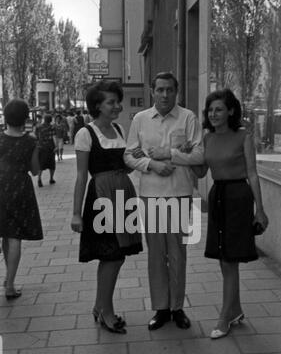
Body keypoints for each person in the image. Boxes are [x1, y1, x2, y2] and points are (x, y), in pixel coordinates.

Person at [124, 71, 205, 331]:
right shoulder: (140, 119)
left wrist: (169, 153)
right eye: (160, 89)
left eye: (169, 89)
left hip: (180, 195)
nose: (165, 94)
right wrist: (152, 164)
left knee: (178, 254)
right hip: (150, 196)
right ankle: (161, 308)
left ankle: (177, 307)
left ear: (176, 91)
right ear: (152, 91)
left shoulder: (187, 118)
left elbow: (198, 154)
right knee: (156, 255)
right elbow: (130, 154)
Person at [193, 89, 269, 339]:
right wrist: (184, 153)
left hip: (238, 198)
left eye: (219, 109)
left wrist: (261, 210)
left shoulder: (243, 136)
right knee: (224, 259)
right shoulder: (208, 138)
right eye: (210, 110)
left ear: (231, 111)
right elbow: (201, 172)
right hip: (218, 196)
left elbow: (253, 173)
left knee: (229, 259)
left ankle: (224, 317)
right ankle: (235, 310)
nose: (213, 114)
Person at [71, 81, 143, 334]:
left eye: (117, 101)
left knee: (117, 254)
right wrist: (76, 213)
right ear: (97, 106)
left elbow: (125, 166)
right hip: (101, 197)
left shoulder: (119, 128)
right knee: (111, 255)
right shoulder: (85, 133)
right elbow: (81, 176)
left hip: (123, 194)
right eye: (111, 102)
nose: (117, 106)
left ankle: (99, 305)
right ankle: (106, 312)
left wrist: (141, 157)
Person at [0, 99, 43, 299]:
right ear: (25, 118)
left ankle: (8, 278)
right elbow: (35, 171)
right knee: (14, 235)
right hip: (20, 189)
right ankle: (10, 285)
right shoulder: (30, 140)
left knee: (5, 234)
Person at [36, 114, 56, 187]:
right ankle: (51, 179)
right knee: (52, 164)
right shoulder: (52, 127)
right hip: (50, 148)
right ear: (50, 120)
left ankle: (39, 180)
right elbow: (53, 137)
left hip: (41, 147)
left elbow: (36, 137)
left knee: (41, 164)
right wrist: (56, 146)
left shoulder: (38, 127)